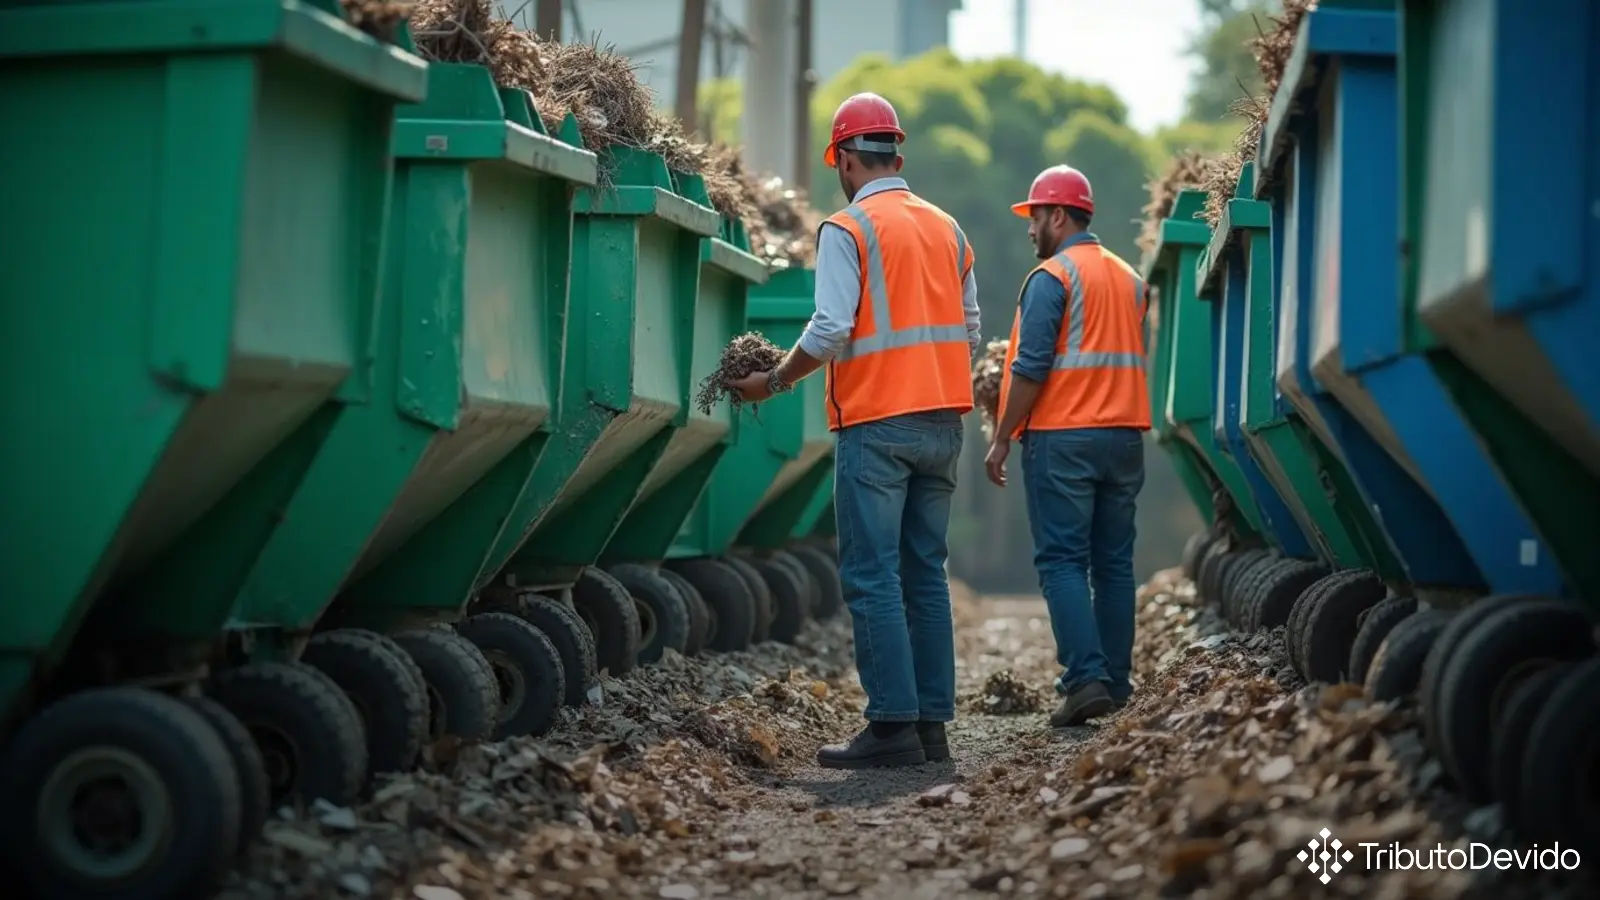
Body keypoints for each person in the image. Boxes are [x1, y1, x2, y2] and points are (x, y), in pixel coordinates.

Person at [726, 92, 981, 769]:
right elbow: (971, 329)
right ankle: (930, 726)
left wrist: (773, 381)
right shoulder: (949, 229)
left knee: (872, 577)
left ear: (842, 159)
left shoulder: (848, 229)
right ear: (897, 153)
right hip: (943, 424)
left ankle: (891, 724)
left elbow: (832, 328)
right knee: (925, 575)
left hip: (877, 423)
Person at [984, 165, 1152, 728]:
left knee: (1061, 560)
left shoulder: (1052, 278)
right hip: (1125, 436)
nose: (1030, 230)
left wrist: (1003, 436)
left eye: (1034, 217)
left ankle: (1084, 682)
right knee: (1113, 563)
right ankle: (1116, 682)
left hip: (1064, 437)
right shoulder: (1131, 279)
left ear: (1058, 216)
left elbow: (1031, 368)